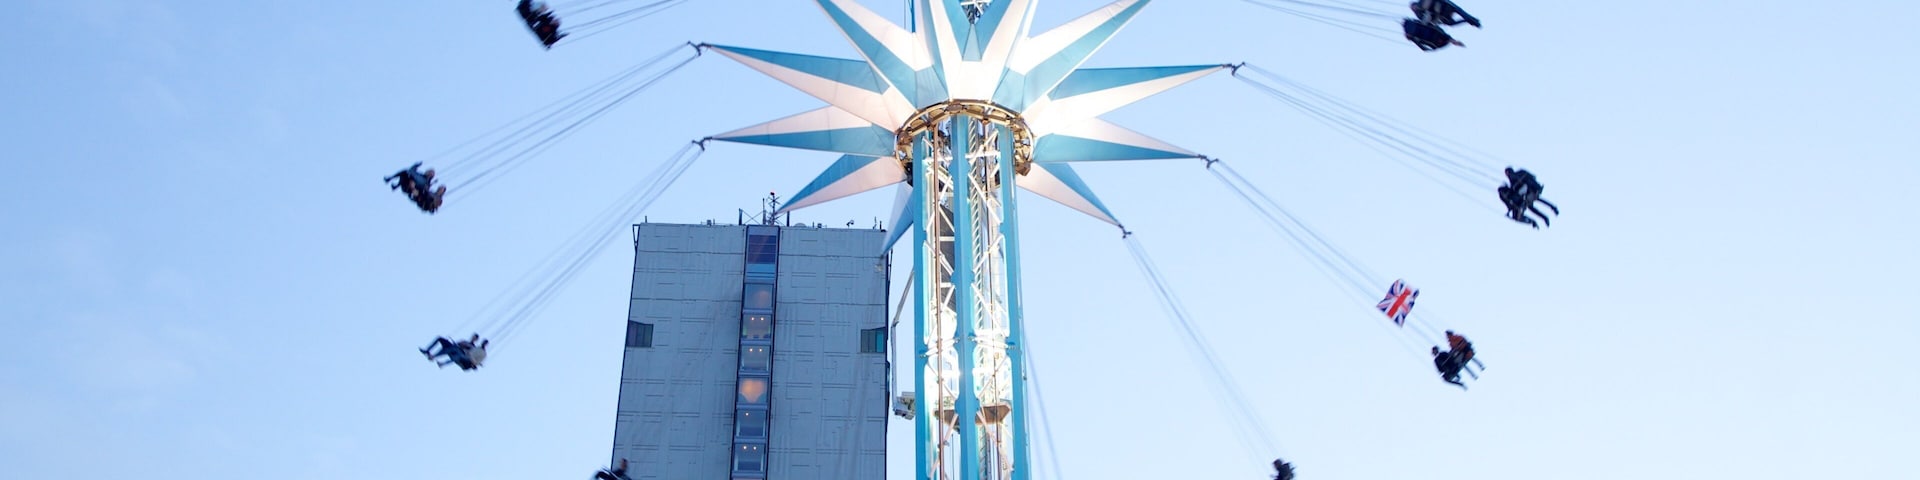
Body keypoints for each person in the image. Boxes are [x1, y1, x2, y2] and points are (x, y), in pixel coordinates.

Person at [1411, 0, 1480, 28]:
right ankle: (1469, 20)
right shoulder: (1419, 15)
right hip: (1443, 14)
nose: (1415, 8)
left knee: (1458, 10)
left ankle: (1471, 20)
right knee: (1452, 21)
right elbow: (1428, 22)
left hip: (1444, 7)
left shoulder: (1422, 2)